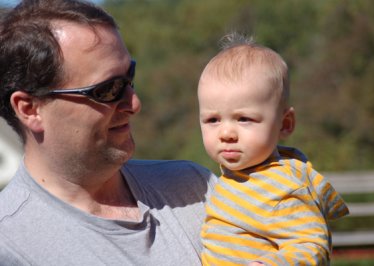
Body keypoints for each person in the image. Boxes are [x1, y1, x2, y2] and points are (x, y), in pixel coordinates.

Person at [0, 0, 217, 265]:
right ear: (30, 109)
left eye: (129, 78)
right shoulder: (9, 245)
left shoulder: (194, 188)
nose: (134, 104)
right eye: (108, 90)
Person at [198, 33, 349, 266]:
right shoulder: (235, 178)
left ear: (285, 124)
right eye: (213, 120)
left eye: (244, 118)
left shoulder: (283, 187)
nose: (226, 133)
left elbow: (312, 245)